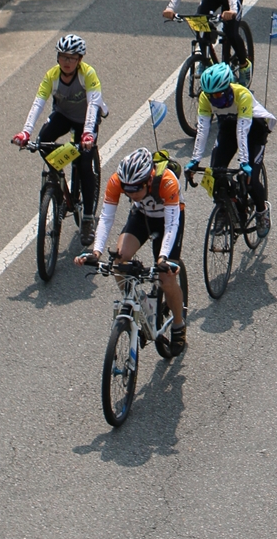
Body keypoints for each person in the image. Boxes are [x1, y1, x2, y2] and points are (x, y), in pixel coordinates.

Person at [77, 147, 187, 354]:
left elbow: (172, 225)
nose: (131, 193)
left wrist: (163, 257)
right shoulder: (117, 181)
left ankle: (179, 325)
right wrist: (96, 252)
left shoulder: (167, 181)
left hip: (168, 221)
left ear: (148, 181)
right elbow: (107, 217)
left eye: (136, 189)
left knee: (165, 276)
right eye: (127, 189)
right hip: (142, 216)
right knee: (119, 260)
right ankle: (141, 307)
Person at [13, 33, 106, 242]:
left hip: (86, 120)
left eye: (72, 58)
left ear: (79, 60)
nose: (66, 61)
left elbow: (93, 105)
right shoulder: (52, 76)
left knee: (84, 165)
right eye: (63, 56)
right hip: (63, 115)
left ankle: (88, 219)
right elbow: (39, 103)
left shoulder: (88, 74)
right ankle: (59, 182)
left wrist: (89, 133)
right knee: (43, 140)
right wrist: (25, 132)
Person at [184, 62, 276, 236]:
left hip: (254, 130)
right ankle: (226, 207)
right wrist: (194, 160)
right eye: (211, 95)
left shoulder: (242, 95)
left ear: (227, 88)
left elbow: (243, 131)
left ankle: (262, 212)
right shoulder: (205, 98)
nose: (215, 99)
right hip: (228, 127)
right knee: (215, 174)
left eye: (218, 94)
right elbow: (202, 130)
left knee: (250, 179)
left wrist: (243, 162)